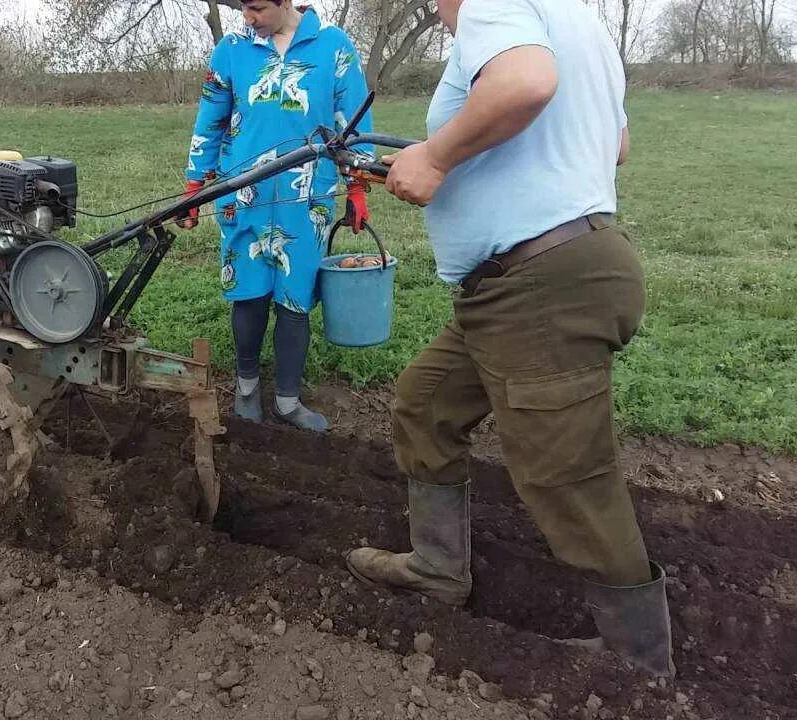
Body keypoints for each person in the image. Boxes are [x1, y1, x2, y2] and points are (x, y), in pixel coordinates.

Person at [345, 0, 674, 677]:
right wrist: (423, 165)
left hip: (539, 287)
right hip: (517, 285)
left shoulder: (496, 3)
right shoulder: (580, 22)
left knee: (567, 478)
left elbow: (525, 85)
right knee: (425, 404)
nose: (434, 12)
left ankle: (639, 667)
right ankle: (438, 569)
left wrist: (436, 155)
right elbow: (615, 145)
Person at [178, 0, 374, 432]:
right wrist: (195, 187)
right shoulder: (231, 50)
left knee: (296, 296)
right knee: (247, 293)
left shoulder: (333, 47)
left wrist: (357, 184)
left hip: (306, 198)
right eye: (243, 8)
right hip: (241, 193)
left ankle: (287, 399)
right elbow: (209, 122)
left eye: (257, 8)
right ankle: (247, 388)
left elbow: (353, 122)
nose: (248, 17)